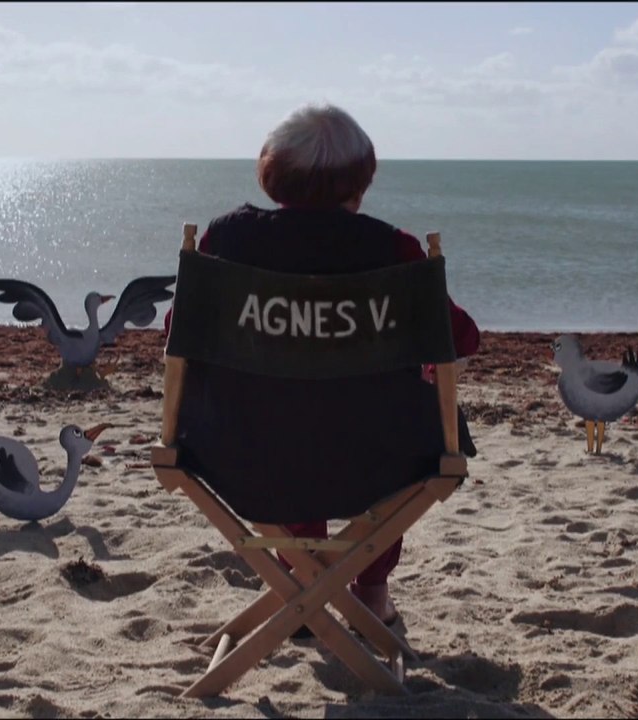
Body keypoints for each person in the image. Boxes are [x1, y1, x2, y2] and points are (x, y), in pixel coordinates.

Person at [166, 103, 480, 631]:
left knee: (288, 416)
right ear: (358, 182)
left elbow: (178, 333)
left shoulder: (224, 240)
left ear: (274, 175)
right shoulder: (396, 250)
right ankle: (371, 590)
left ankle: (303, 586)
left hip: (238, 450)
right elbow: (462, 337)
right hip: (374, 459)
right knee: (395, 422)